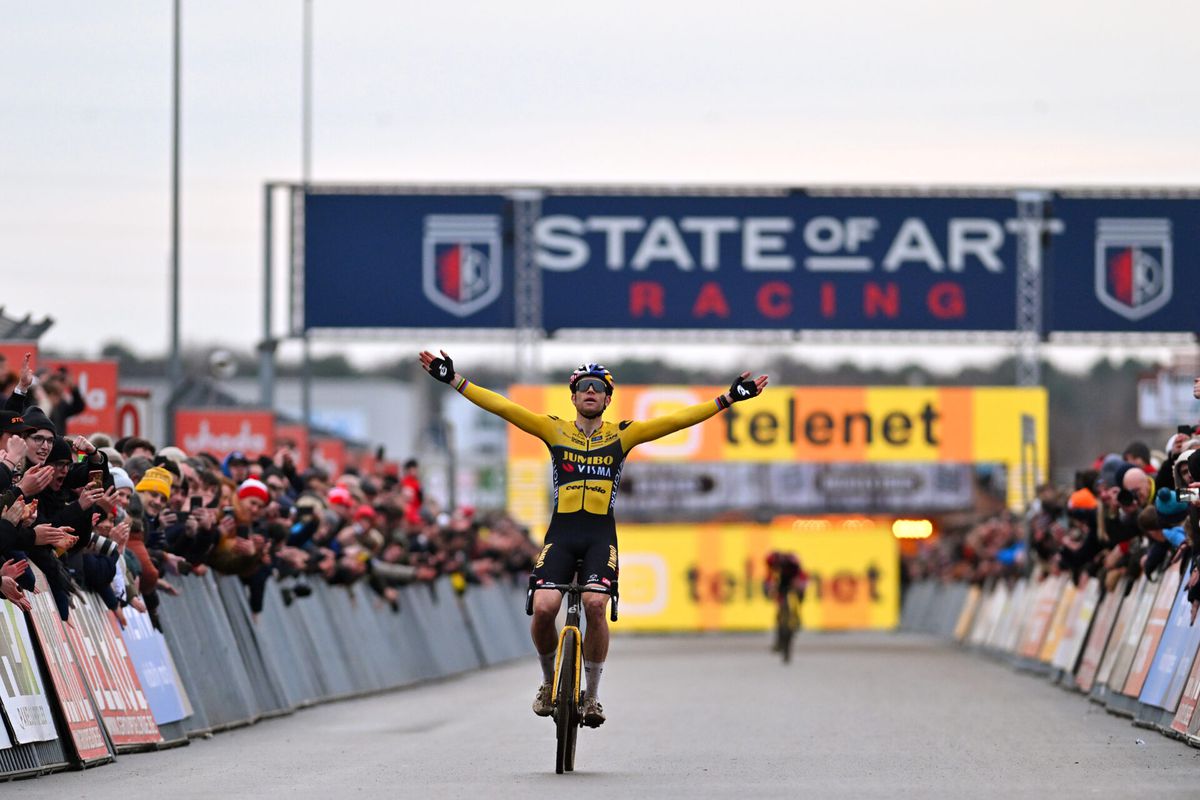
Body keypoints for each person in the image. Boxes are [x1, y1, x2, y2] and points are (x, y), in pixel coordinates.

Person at [419, 349, 767, 727]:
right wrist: (455, 380)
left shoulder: (623, 435)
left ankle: (593, 697)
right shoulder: (554, 430)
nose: (590, 392)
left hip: (601, 535)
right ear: (572, 396)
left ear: (606, 399)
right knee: (544, 607)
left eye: (597, 389)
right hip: (562, 533)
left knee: (596, 605)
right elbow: (504, 408)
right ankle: (548, 682)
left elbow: (676, 421)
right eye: (583, 387)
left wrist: (728, 398)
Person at [764, 550, 808, 646]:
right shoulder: (773, 566)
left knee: (799, 596)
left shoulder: (792, 563)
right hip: (782, 584)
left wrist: (800, 589)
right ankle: (780, 627)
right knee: (781, 606)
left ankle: (797, 617)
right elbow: (769, 580)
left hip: (792, 580)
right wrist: (769, 590)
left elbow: (802, 578)